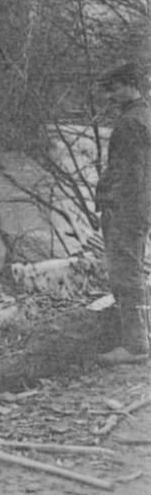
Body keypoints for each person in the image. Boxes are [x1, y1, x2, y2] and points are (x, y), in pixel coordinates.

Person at [95, 62, 151, 365]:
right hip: (139, 209)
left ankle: (135, 345)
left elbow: (128, 175)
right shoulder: (143, 115)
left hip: (126, 212)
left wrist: (110, 206)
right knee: (133, 273)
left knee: (125, 276)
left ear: (130, 85)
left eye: (113, 89)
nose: (109, 96)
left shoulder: (131, 123)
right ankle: (140, 337)